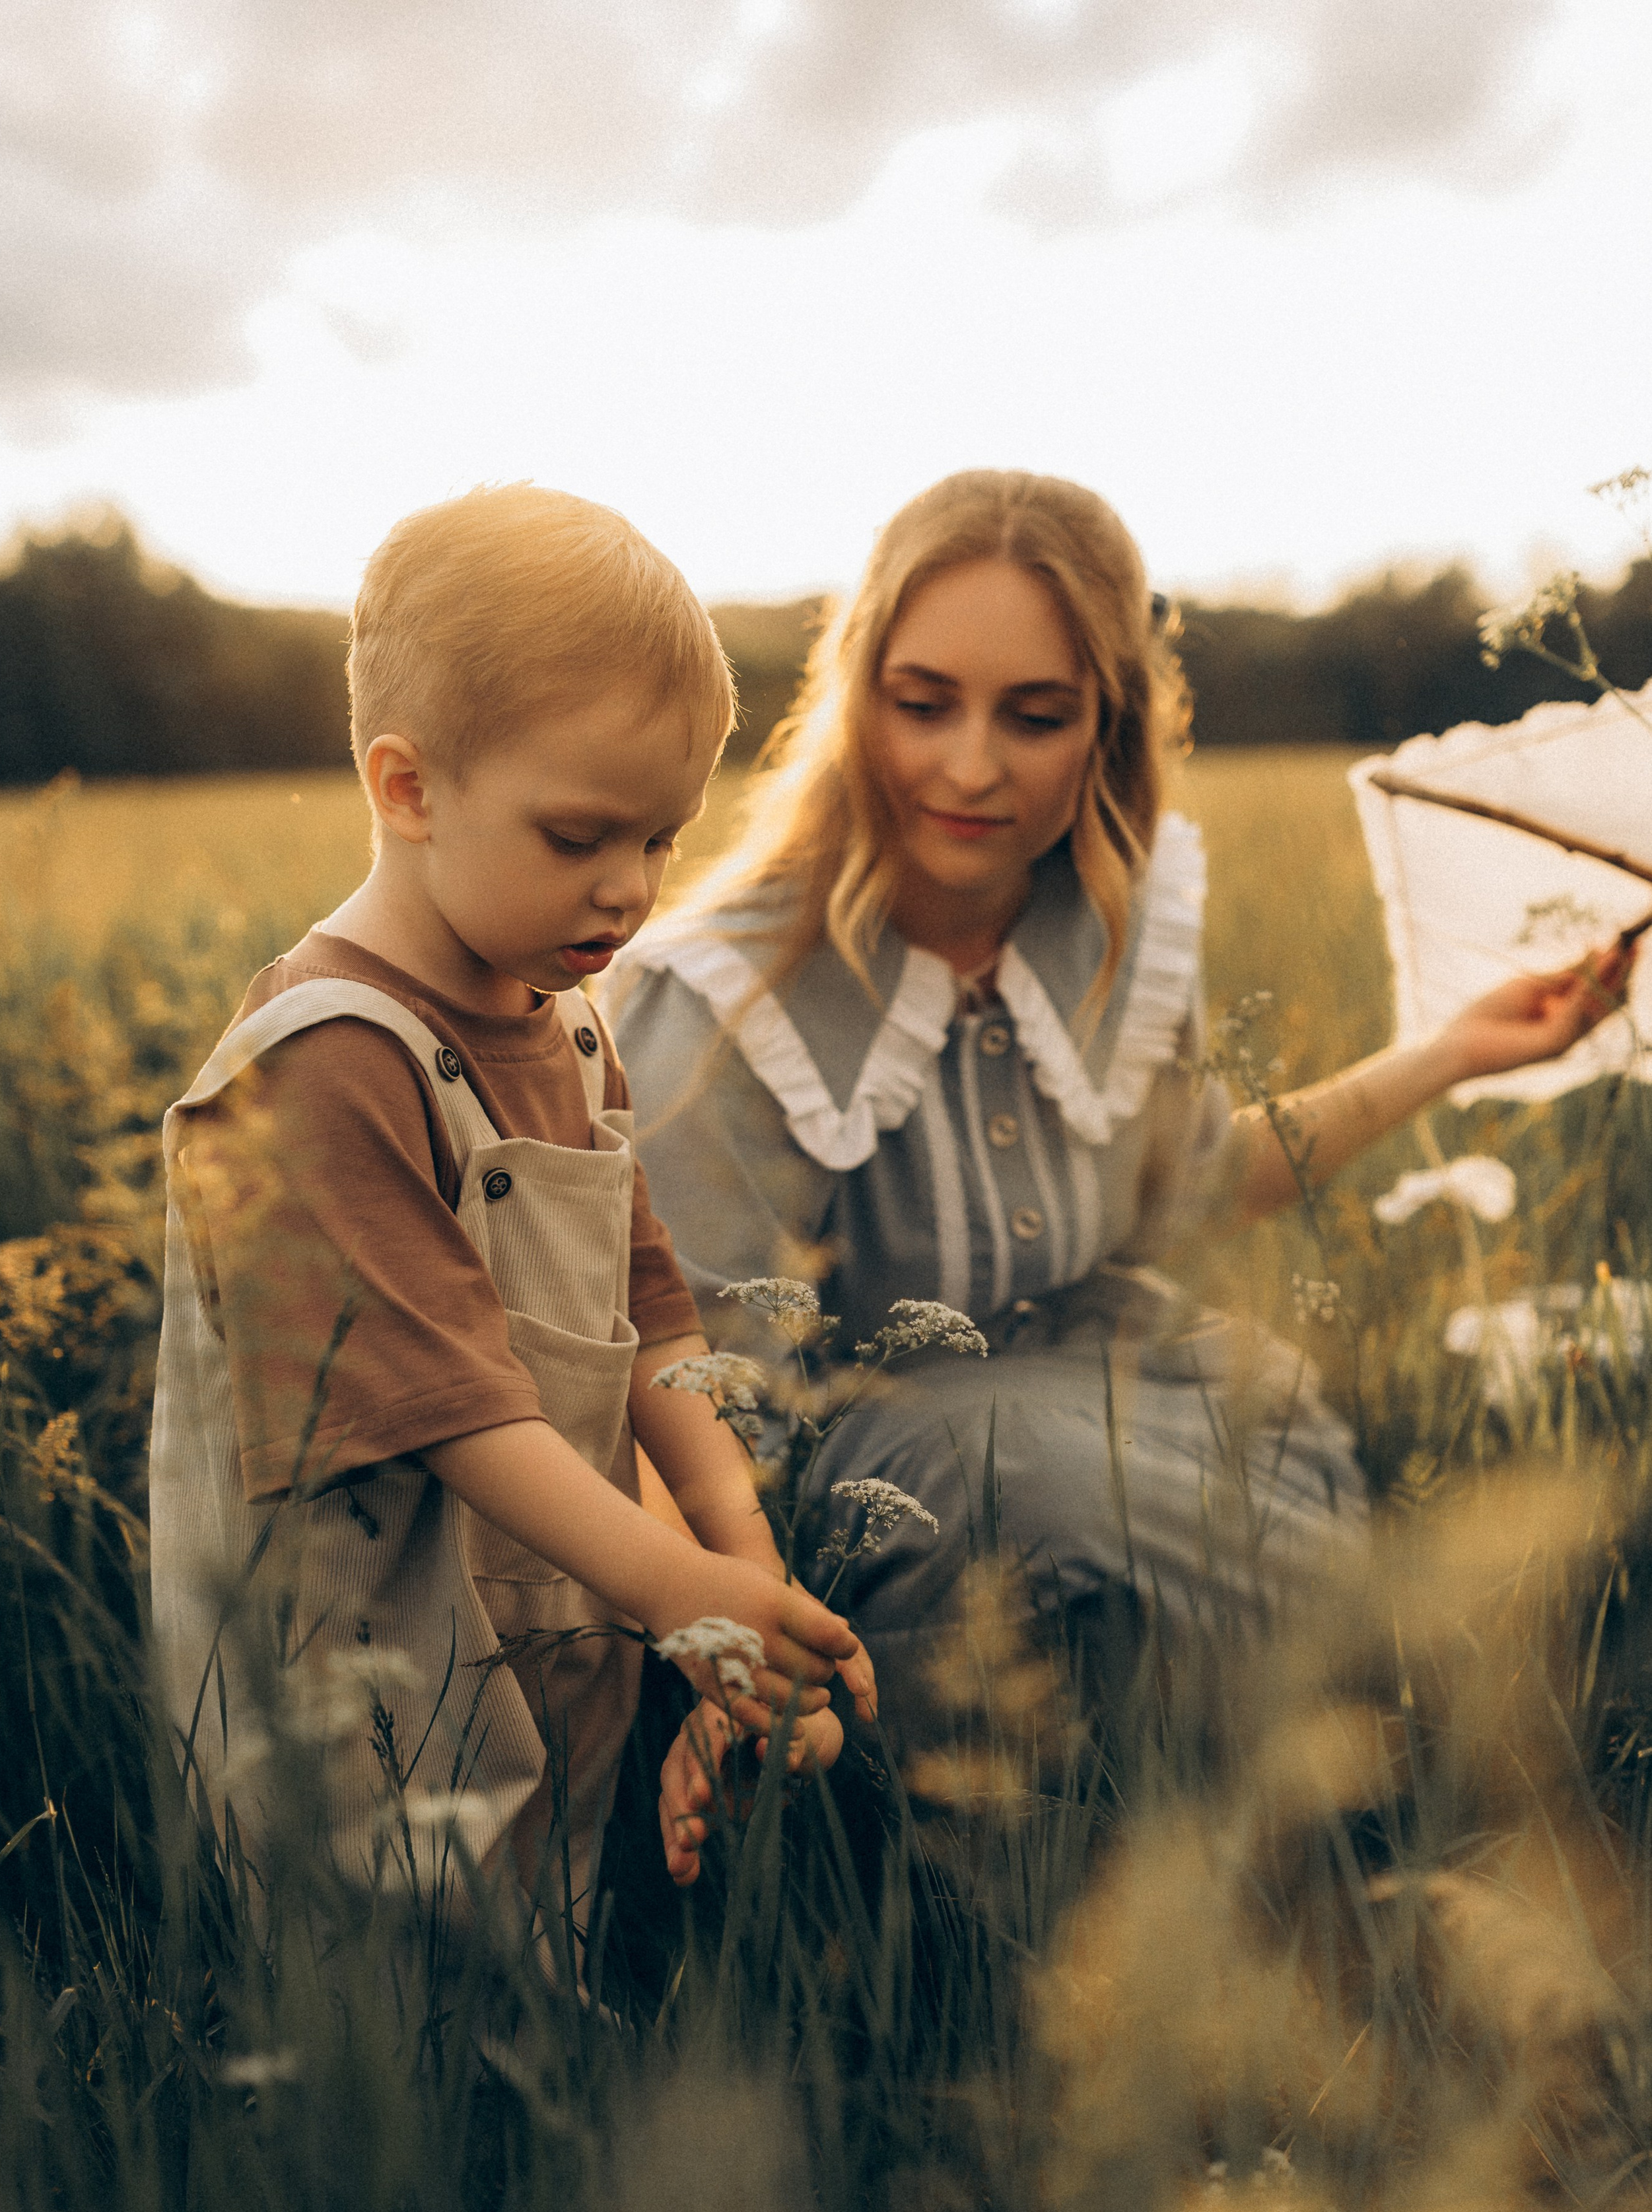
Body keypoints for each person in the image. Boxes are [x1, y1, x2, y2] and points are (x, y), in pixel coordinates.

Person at [608, 468, 1631, 1769]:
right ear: (855, 696)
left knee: (1293, 1516)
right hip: (850, 1516)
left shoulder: (1101, 938)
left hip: (1116, 1405)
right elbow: (691, 1400)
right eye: (921, 704)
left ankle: (1256, 1809)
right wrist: (729, 1671)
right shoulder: (722, 997)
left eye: (1033, 716)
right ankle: (930, 1867)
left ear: (1107, 725)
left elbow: (1190, 1185)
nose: (967, 766)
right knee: (1036, 1486)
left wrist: (1450, 1053)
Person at [150, 482, 872, 1945]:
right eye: (576, 836)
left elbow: (652, 1314)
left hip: (551, 1608)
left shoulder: (567, 1019)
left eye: (661, 838)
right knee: (394, 1978)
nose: (629, 890)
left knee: (551, 1929)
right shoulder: (328, 1055)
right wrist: (680, 1588)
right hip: (358, 1657)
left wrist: (739, 1556)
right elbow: (445, 1404)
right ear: (407, 788)